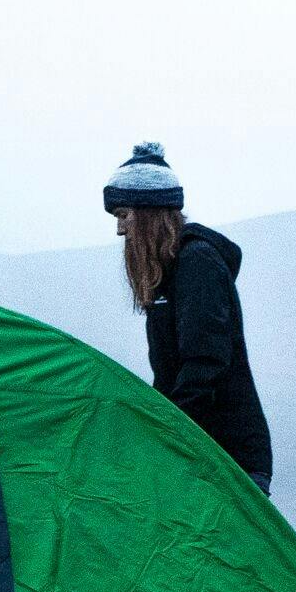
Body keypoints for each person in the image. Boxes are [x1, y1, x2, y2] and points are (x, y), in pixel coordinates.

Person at [103, 143, 274, 494]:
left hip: (227, 455)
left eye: (124, 215)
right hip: (197, 450)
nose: (120, 230)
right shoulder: (166, 276)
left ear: (149, 212)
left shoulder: (197, 263)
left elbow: (205, 362)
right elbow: (170, 375)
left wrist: (170, 433)